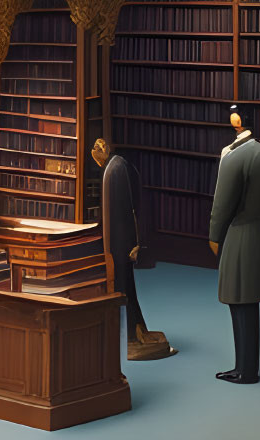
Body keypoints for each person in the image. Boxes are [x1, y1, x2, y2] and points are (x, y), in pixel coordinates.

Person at [208, 104, 260, 384]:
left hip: (237, 234)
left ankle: (246, 369)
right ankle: (245, 366)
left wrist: (214, 235)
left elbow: (222, 203)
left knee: (238, 303)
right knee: (246, 304)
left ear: (237, 123)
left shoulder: (232, 157)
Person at [92, 136, 170, 359]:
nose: (95, 153)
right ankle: (131, 332)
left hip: (120, 244)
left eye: (97, 149)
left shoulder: (115, 170)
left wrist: (133, 244)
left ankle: (131, 334)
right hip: (121, 243)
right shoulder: (117, 167)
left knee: (123, 287)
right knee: (125, 288)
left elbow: (127, 213)